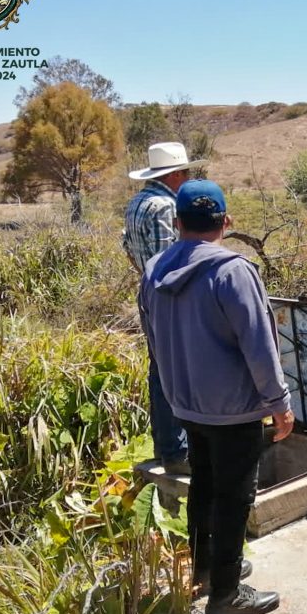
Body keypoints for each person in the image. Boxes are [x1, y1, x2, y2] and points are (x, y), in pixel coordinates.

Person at [140, 179, 294, 614]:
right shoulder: (233, 271)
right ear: (225, 222)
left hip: (185, 403)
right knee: (235, 496)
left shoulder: (153, 270)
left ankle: (206, 570)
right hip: (235, 408)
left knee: (204, 486)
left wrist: (175, 390)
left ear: (176, 222)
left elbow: (153, 341)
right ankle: (226, 593)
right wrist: (278, 402)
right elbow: (259, 346)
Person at [123, 142, 206, 475]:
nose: (187, 178)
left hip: (149, 295)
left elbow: (128, 247)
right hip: (171, 298)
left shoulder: (137, 203)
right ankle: (177, 451)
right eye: (185, 172)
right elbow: (167, 263)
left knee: (160, 368)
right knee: (179, 371)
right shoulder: (163, 206)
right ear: (174, 174)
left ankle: (167, 447)